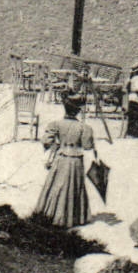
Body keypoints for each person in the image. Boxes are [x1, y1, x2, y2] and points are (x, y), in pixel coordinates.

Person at [35, 94, 97, 228]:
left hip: (61, 156)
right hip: (75, 159)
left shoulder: (56, 124)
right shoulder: (84, 127)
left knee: (56, 185)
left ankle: (52, 213)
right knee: (73, 186)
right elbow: (87, 146)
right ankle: (73, 217)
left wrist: (56, 146)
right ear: (78, 111)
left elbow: (46, 140)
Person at [124, 63, 138, 137]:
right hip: (135, 99)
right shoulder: (137, 78)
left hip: (129, 99)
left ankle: (131, 131)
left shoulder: (130, 78)